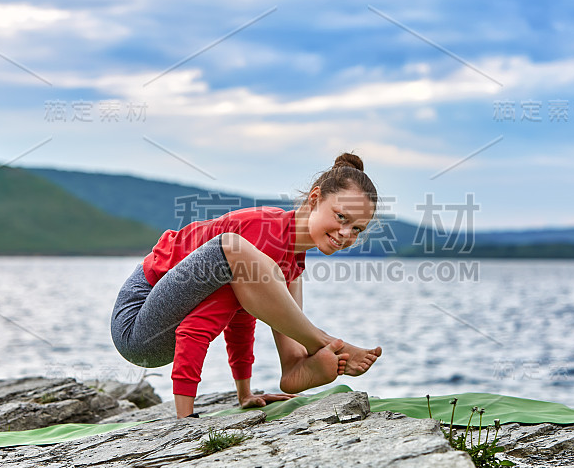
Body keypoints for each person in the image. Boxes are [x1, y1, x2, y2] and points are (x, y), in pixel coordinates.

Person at [110, 152, 382, 418]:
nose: (346, 233)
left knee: (281, 277)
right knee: (237, 249)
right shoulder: (261, 232)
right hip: (138, 324)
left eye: (357, 229)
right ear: (314, 199)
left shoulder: (290, 261)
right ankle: (321, 341)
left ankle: (295, 360)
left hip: (163, 328)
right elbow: (195, 327)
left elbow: (239, 315)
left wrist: (245, 393)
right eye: (341, 217)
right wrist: (185, 418)